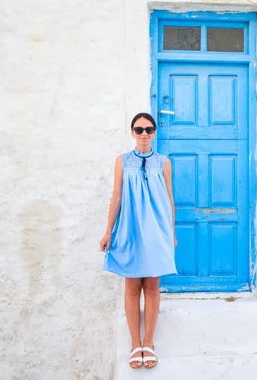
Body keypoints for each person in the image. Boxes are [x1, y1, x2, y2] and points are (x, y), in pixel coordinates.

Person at [99, 112, 178, 369]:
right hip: (130, 228)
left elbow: (169, 199)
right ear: (132, 132)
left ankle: (149, 342)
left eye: (148, 129)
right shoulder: (122, 161)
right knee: (132, 285)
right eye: (139, 129)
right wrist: (108, 231)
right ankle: (135, 343)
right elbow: (117, 197)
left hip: (156, 230)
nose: (144, 133)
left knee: (152, 285)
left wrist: (172, 233)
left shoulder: (163, 162)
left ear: (154, 132)